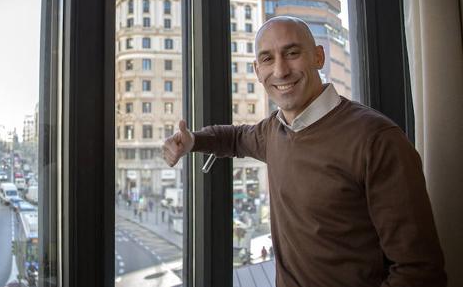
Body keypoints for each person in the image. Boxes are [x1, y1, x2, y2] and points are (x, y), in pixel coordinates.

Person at [162, 16, 446, 287]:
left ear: (318, 57)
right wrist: (194, 141)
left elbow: (419, 271)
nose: (280, 70)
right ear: (257, 70)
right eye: (267, 59)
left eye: (292, 53)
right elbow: (235, 137)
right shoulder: (274, 130)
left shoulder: (377, 139)